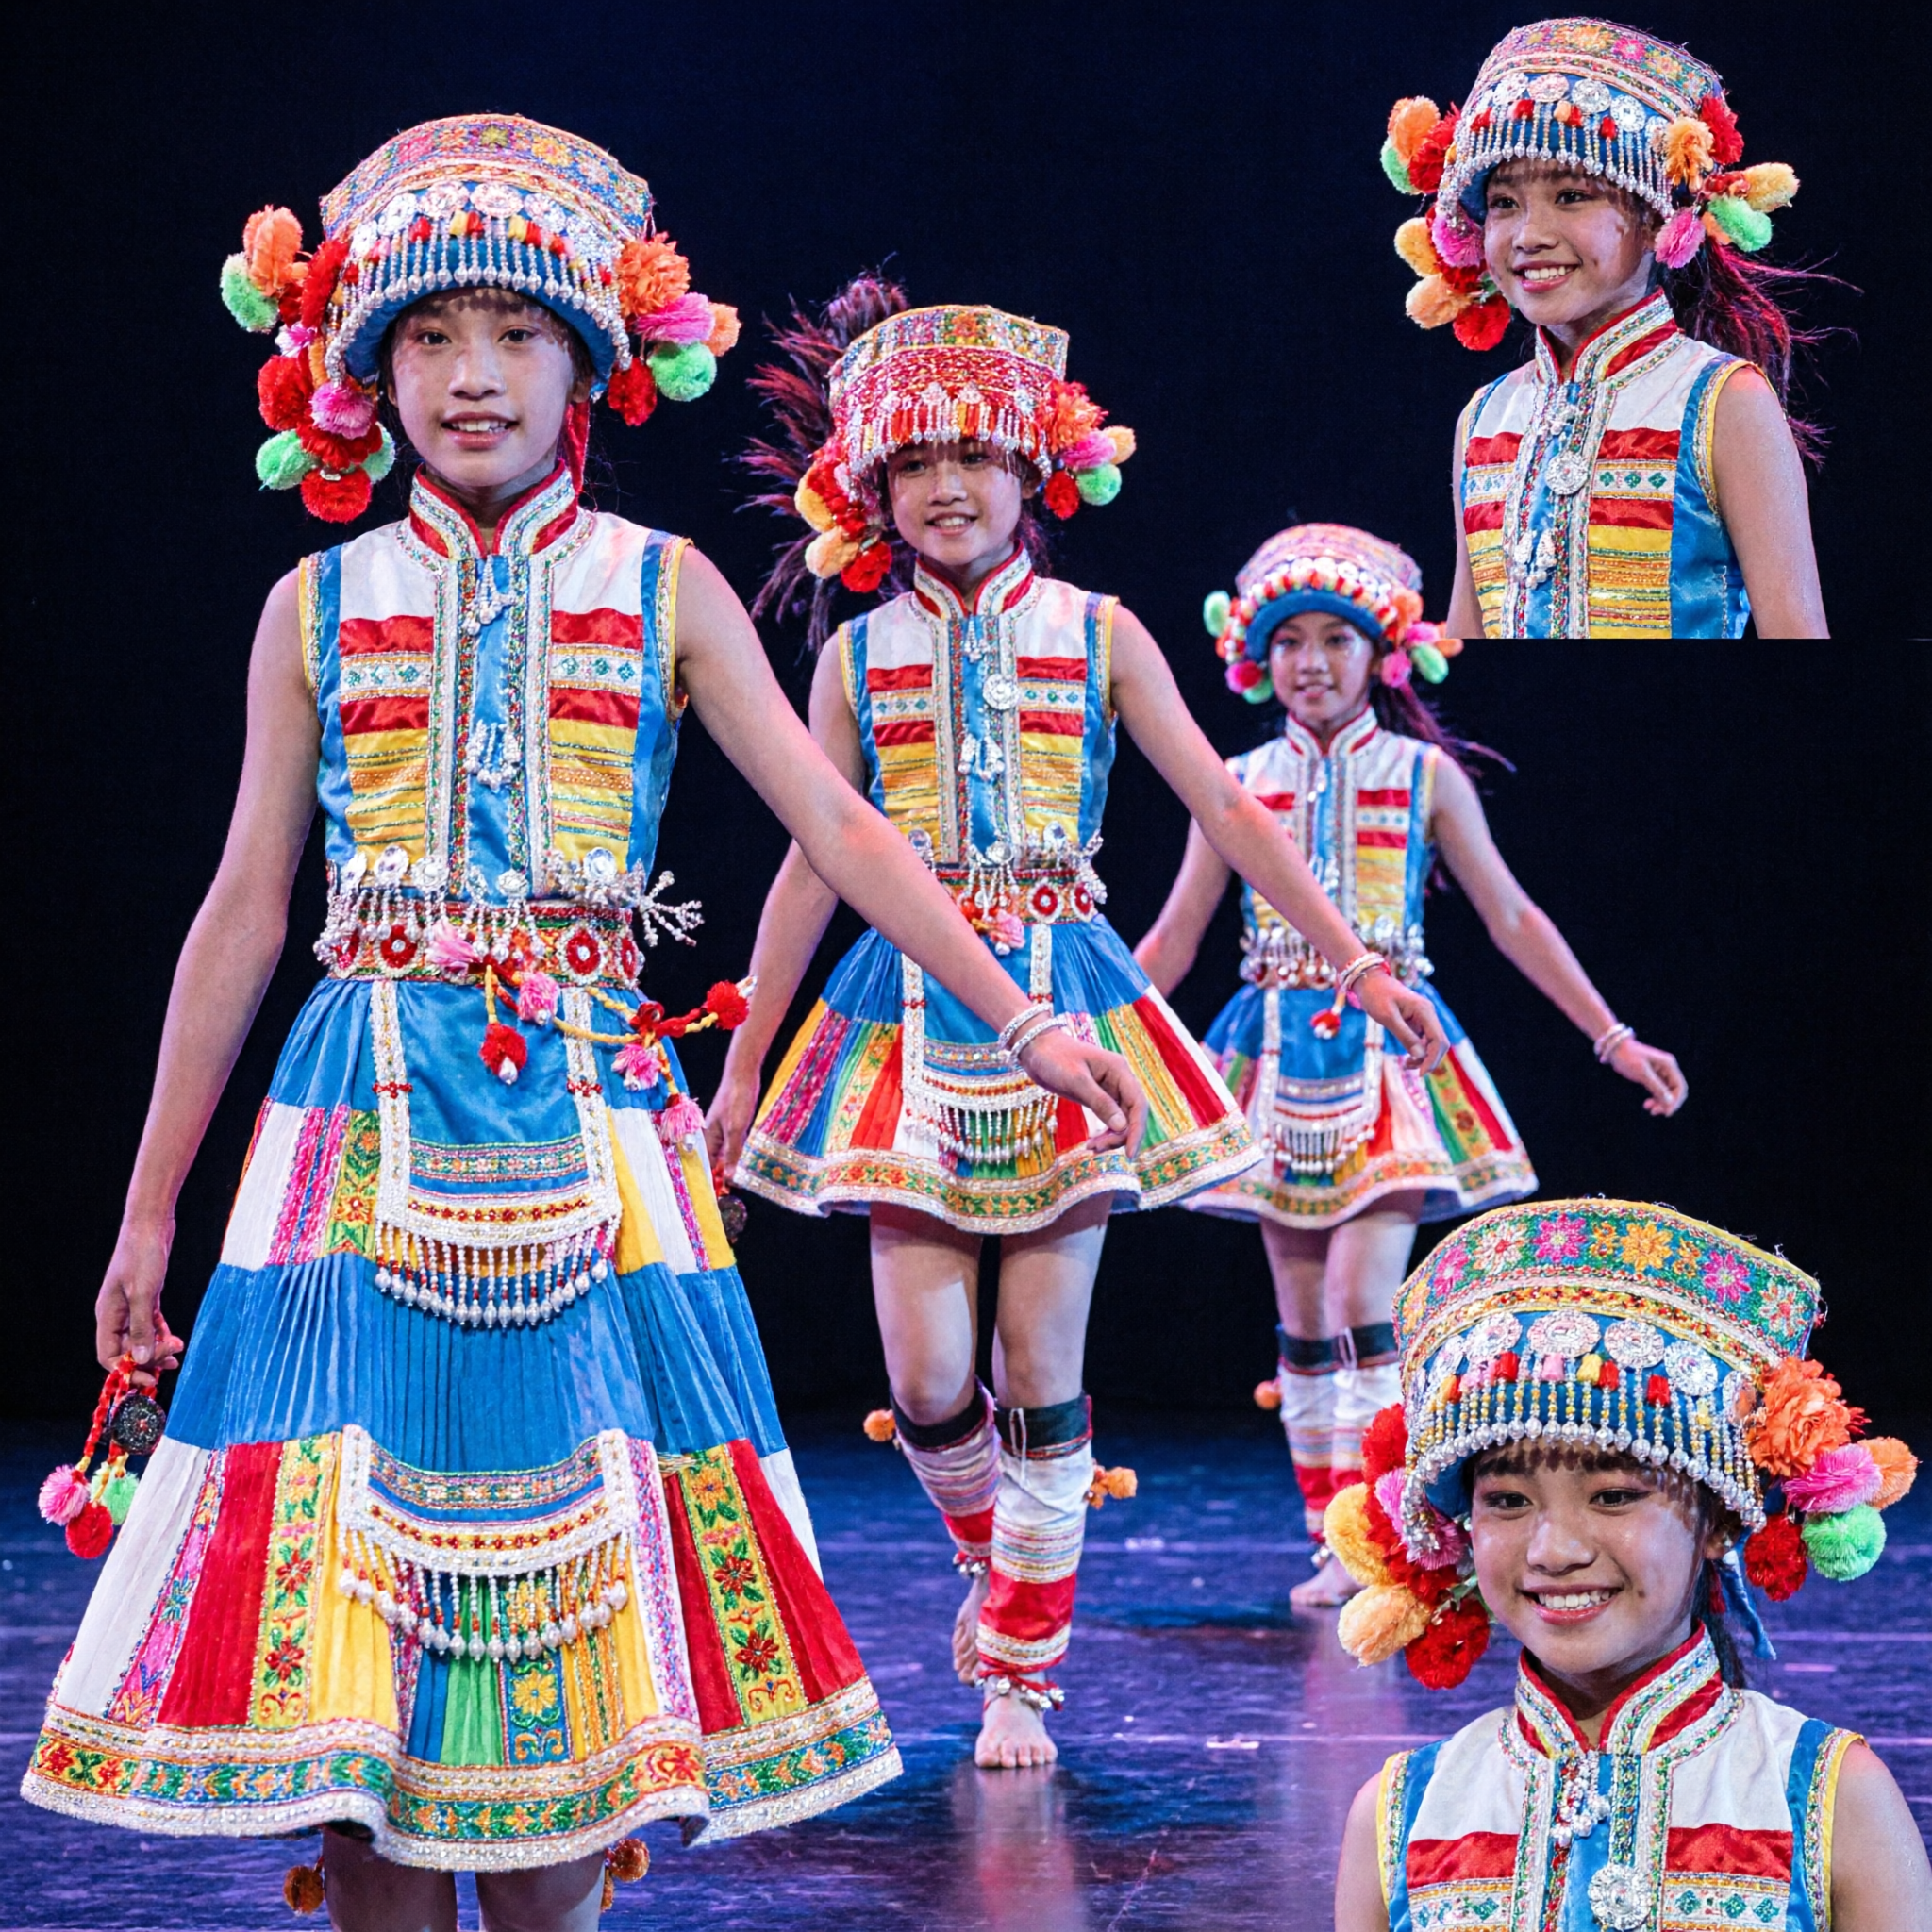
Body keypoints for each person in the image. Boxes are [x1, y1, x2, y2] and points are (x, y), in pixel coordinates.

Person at [22, 118, 1149, 1932]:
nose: (475, 376)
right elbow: (245, 902)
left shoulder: (664, 584)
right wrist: (150, 1204)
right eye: (431, 337)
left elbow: (841, 826)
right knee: (354, 1638)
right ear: (367, 369)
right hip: (362, 1113)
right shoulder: (314, 604)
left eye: (519, 333)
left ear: (590, 362)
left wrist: (1022, 1023)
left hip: (593, 1110)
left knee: (582, 1600)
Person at [705, 282, 1449, 1770]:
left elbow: (1227, 806)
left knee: (1041, 1370)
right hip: (900, 1020)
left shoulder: (1100, 632)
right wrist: (738, 1061)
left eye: (976, 459)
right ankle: (1007, 1565)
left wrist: (1357, 959)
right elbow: (810, 858)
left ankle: (1021, 1669)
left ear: (1033, 471)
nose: (950, 488)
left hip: (1076, 1012)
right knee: (924, 1385)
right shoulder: (850, 658)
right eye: (917, 466)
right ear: (876, 491)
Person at [1137, 524, 1684, 1606]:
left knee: (1359, 1300)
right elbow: (1173, 937)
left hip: (1393, 1056)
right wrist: (1073, 1040)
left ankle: (1375, 1539)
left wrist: (1609, 1033)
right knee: (1300, 1320)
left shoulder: (1421, 774)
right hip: (1270, 1050)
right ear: (1256, 657)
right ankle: (1327, 1528)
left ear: (1378, 654)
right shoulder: (1236, 782)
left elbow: (1511, 914)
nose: (1309, 662)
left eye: (1333, 639)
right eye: (1286, 640)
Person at [1323, 1198, 1931, 1932]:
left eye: (1613, 1495)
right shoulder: (1401, 1818)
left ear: (1721, 1521)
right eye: (1509, 1501)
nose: (1555, 1550)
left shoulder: (1828, 1799)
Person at [1379, 17, 1830, 636]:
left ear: (1655, 219)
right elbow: (1467, 642)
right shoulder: (1484, 418)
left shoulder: (1724, 403)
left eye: (1571, 196)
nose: (1531, 236)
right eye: (1505, 204)